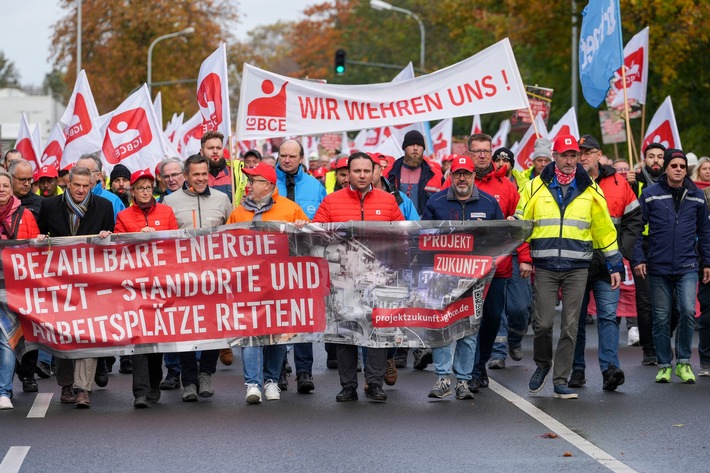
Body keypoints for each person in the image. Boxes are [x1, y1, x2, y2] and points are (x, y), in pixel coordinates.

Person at [515, 134, 621, 400]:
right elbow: (520, 225)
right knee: (542, 324)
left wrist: (614, 264)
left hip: (578, 267)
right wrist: (524, 257)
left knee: (570, 326)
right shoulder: (534, 187)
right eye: (565, 155)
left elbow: (604, 230)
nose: (570, 160)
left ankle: (560, 379)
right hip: (546, 266)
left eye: (574, 155)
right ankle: (542, 364)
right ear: (555, 156)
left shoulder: (591, 189)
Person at [313, 152, 404, 402]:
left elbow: (403, 235)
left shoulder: (387, 201)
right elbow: (317, 232)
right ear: (347, 174)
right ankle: (348, 385)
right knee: (346, 333)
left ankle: (374, 383)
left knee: (376, 333)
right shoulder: (332, 202)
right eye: (357, 171)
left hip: (378, 279)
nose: (362, 175)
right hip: (342, 280)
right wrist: (305, 227)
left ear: (374, 172)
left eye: (366, 171)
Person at [422, 154, 504, 400]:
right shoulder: (435, 202)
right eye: (457, 174)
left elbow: (500, 238)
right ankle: (443, 378)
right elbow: (423, 236)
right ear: (450, 175)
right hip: (442, 277)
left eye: (466, 174)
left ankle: (464, 382)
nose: (461, 178)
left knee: (469, 331)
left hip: (476, 279)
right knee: (442, 327)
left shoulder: (489, 204)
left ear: (473, 176)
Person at [225, 162, 309, 404]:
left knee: (278, 333)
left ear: (269, 185)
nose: (248, 185)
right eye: (249, 181)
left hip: (281, 283)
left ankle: (271, 380)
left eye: (254, 181)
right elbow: (227, 247)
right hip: (248, 284)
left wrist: (302, 228)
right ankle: (252, 384)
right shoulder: (238, 212)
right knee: (250, 333)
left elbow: (310, 241)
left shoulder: (291, 209)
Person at [569, 135, 642, 392]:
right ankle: (576, 370)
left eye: (587, 152)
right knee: (574, 319)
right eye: (578, 152)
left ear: (599, 154)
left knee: (608, 317)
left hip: (608, 263)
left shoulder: (618, 182)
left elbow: (634, 218)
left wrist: (622, 251)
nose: (582, 156)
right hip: (575, 263)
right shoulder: (568, 181)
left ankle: (610, 369)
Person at [37, 166, 115, 408]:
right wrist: (40, 240)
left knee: (87, 333)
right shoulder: (50, 206)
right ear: (67, 183)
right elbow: (39, 237)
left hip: (91, 283)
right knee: (63, 334)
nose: (81, 189)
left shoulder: (103, 206)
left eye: (86, 185)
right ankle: (66, 385)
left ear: (92, 184)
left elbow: (112, 240)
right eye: (77, 184)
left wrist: (107, 235)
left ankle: (83, 388)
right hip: (59, 283)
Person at [632, 149, 710, 384]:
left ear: (686, 170)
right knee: (662, 317)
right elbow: (635, 228)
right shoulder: (649, 194)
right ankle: (665, 364)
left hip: (687, 265)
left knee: (687, 311)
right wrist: (639, 258)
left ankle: (684, 362)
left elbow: (704, 232)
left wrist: (707, 262)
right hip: (658, 267)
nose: (678, 169)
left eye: (682, 166)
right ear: (665, 168)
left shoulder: (697, 196)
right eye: (674, 165)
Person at [464, 137, 531, 390]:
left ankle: (480, 363)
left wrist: (524, 258)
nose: (482, 156)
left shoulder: (505, 186)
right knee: (471, 319)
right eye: (477, 151)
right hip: (466, 269)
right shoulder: (460, 182)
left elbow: (519, 226)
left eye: (486, 151)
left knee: (492, 317)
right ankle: (471, 369)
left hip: (499, 266)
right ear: (468, 153)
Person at [164, 154, 232, 401]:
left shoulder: (223, 199)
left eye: (205, 173)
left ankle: (206, 373)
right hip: (183, 279)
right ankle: (189, 381)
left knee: (213, 327)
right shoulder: (170, 201)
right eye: (196, 174)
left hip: (215, 278)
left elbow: (234, 235)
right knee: (185, 329)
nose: (201, 178)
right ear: (186, 176)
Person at [114, 169, 179, 407]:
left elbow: (176, 245)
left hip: (161, 285)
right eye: (140, 188)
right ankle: (140, 392)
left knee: (157, 336)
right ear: (133, 191)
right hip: (135, 286)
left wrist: (158, 236)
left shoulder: (167, 211)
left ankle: (154, 382)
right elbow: (119, 248)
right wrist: (136, 238)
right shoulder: (123, 216)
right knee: (139, 337)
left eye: (148, 188)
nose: (145, 192)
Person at [274, 139, 326, 393]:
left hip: (304, 261)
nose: (287, 160)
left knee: (303, 315)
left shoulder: (315, 186)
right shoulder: (268, 183)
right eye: (283, 155)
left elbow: (324, 220)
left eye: (292, 156)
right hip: (274, 261)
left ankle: (304, 371)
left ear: (301, 158)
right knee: (278, 316)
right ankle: (279, 369)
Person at [0, 170, 41, 409]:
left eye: (5, 185)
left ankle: (4, 390)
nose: (2, 189)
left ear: (12, 188)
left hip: (13, 287)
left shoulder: (25, 216)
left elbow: (34, 250)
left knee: (6, 338)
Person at [629, 143, 667, 365]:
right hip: (641, 245)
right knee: (645, 300)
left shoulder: (673, 181)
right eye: (651, 156)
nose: (656, 161)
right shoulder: (635, 182)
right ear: (644, 160)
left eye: (660, 157)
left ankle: (662, 337)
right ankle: (649, 349)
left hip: (666, 245)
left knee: (673, 303)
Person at [386, 130, 443, 216]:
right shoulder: (389, 173)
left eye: (419, 145)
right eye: (411, 144)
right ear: (404, 147)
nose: (415, 148)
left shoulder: (436, 175)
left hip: (425, 226)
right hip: (396, 226)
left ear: (423, 149)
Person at [76, 152, 125, 220]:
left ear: (98, 175)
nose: (80, 175)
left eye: (86, 172)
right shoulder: (65, 199)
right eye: (77, 171)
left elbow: (120, 229)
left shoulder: (113, 201)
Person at [201, 130, 233, 201]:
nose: (215, 151)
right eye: (211, 148)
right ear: (202, 152)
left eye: (219, 148)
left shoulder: (234, 172)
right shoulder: (194, 174)